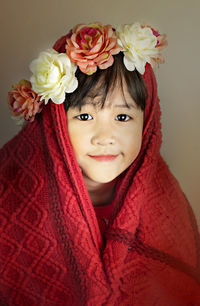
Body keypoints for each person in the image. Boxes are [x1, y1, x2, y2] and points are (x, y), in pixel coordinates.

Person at [0, 22, 200, 306]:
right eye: (84, 117)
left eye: (122, 117)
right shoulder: (12, 204)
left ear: (148, 124)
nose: (105, 138)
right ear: (55, 124)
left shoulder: (166, 206)